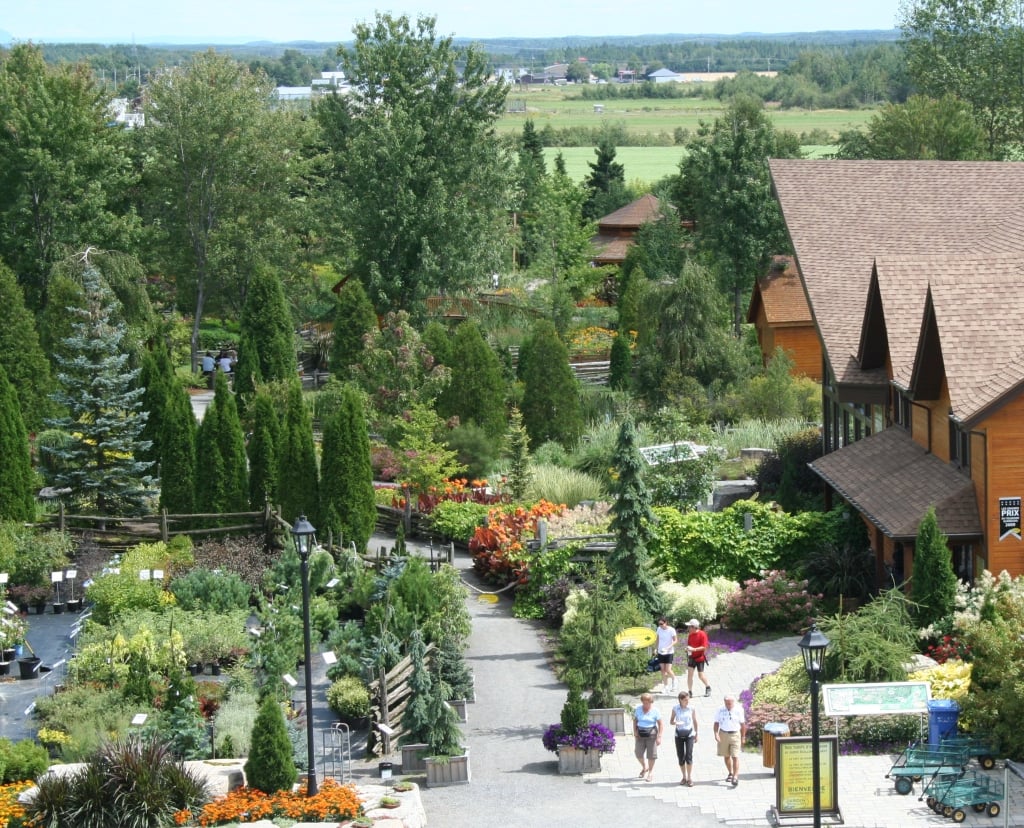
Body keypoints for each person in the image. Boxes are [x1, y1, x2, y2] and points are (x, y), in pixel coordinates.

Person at [713, 695, 747, 786]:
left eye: (730, 703)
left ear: (733, 702)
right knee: (726, 755)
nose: (728, 705)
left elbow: (743, 724)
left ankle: (735, 777)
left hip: (735, 734)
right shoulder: (720, 709)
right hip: (723, 733)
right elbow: (716, 722)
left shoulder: (739, 710)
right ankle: (730, 773)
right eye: (727, 703)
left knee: (735, 756)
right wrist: (716, 734)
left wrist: (743, 737)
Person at [669, 690, 698, 786]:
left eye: (688, 699)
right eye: (685, 700)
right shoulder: (675, 708)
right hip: (679, 734)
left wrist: (696, 733)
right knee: (681, 756)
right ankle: (684, 777)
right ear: (680, 700)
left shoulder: (691, 708)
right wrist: (676, 723)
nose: (687, 701)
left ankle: (689, 777)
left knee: (689, 756)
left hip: (689, 734)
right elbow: (671, 721)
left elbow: (695, 720)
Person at [633, 692, 663, 782]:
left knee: (651, 755)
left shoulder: (655, 711)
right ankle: (644, 767)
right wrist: (635, 731)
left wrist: (659, 736)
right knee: (638, 753)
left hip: (651, 734)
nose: (646, 704)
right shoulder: (638, 709)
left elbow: (660, 724)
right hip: (640, 733)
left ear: (651, 702)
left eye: (648, 702)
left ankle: (650, 772)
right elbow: (635, 721)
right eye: (644, 702)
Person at [685, 618, 712, 698]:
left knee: (700, 675)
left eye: (689, 626)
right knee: (690, 675)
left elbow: (704, 647)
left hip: (700, 658)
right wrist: (687, 649)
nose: (688, 628)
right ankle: (690, 691)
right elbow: (689, 645)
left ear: (694, 627)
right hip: (691, 658)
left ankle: (708, 687)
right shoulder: (690, 635)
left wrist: (694, 649)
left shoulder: (702, 634)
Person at [655, 617, 678, 691]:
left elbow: (675, 640)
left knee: (668, 669)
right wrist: (656, 649)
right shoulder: (659, 629)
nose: (660, 625)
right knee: (662, 670)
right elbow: (657, 639)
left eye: (662, 624)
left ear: (666, 623)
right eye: (659, 624)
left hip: (669, 652)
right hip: (660, 652)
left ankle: (674, 680)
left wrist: (668, 647)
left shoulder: (671, 630)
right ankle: (665, 686)